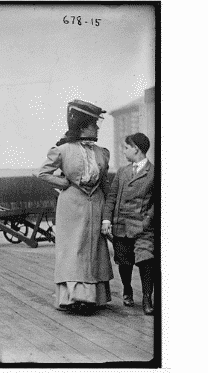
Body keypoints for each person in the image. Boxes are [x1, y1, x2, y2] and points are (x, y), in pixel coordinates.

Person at [38, 99, 113, 314]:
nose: (97, 128)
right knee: (73, 250)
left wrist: (108, 212)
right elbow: (43, 173)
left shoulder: (102, 153)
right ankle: (73, 298)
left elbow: (105, 182)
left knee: (95, 249)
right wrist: (64, 183)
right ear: (83, 126)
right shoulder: (62, 150)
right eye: (94, 124)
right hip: (71, 206)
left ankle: (92, 298)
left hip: (96, 204)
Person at [102, 133, 155, 315]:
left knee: (146, 260)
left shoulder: (154, 173)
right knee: (124, 263)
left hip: (143, 228)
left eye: (126, 147)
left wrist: (147, 220)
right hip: (121, 226)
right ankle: (127, 289)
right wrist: (107, 219)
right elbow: (111, 197)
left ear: (136, 149)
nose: (123, 151)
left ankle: (147, 298)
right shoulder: (122, 172)